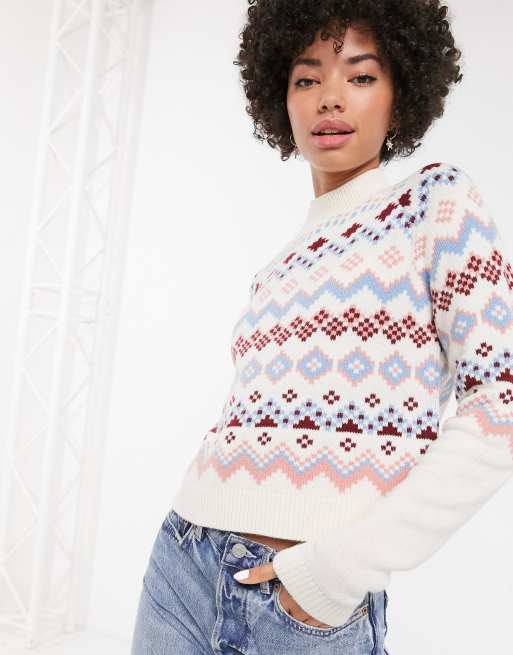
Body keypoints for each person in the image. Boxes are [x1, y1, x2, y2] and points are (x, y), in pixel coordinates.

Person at [130, 1, 513, 653]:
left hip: (305, 608)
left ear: (401, 95)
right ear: (279, 99)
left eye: (360, 76)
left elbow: (499, 403)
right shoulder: (276, 268)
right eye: (306, 78)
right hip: (181, 564)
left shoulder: (433, 204)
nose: (330, 97)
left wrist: (335, 572)